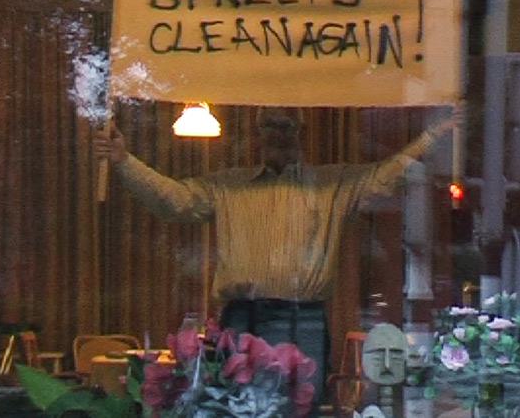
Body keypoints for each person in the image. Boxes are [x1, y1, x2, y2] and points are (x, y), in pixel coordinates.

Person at [94, 105, 459, 407]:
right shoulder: (227, 186)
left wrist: (432, 136)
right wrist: (123, 161)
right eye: (269, 125)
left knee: (303, 406)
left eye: (286, 125)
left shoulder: (333, 184)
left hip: (304, 317)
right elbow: (173, 200)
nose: (277, 133)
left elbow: (386, 177)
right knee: (236, 407)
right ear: (257, 133)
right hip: (242, 316)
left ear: (300, 131)